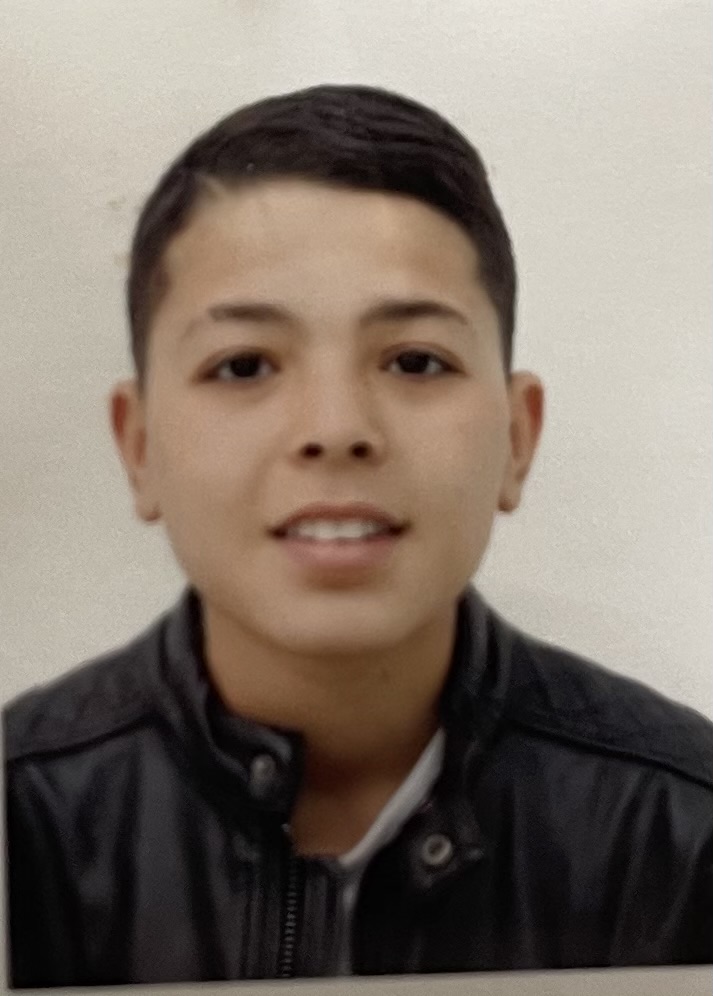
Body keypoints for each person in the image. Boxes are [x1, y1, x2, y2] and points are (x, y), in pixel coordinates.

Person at [3, 83, 712, 990]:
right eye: (244, 365)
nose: (335, 428)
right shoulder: (23, 821)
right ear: (138, 447)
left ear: (516, 438)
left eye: (415, 360)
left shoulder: (682, 833)